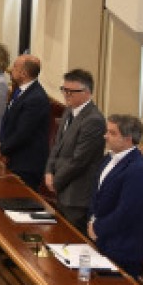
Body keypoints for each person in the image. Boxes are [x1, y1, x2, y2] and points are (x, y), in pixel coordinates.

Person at [89, 114, 143, 277]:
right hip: (102, 238)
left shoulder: (139, 170)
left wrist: (97, 228)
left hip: (122, 248)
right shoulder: (108, 158)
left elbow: (126, 212)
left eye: (112, 133)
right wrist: (92, 221)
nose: (105, 136)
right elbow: (97, 194)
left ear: (128, 139)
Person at [44, 69, 107, 229]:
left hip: (76, 196)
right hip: (62, 188)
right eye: (64, 90)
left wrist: (56, 181)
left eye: (71, 91)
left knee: (70, 237)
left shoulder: (94, 120)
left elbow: (79, 161)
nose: (66, 94)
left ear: (87, 93)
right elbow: (57, 145)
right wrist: (49, 171)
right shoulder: (69, 111)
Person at [0, 54, 51, 189]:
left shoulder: (36, 98)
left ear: (24, 73)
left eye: (15, 67)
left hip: (26, 163)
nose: (11, 69)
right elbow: (9, 120)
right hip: (13, 157)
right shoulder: (21, 91)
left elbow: (22, 132)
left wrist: (3, 149)